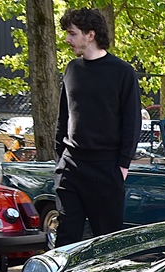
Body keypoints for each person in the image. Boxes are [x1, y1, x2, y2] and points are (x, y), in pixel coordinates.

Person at [54, 8, 141, 246]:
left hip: (106, 168)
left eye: (72, 33)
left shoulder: (122, 72)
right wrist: (60, 158)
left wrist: (122, 165)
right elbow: (63, 116)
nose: (67, 39)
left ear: (90, 35)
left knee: (106, 243)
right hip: (70, 166)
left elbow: (132, 121)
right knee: (66, 239)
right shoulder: (72, 69)